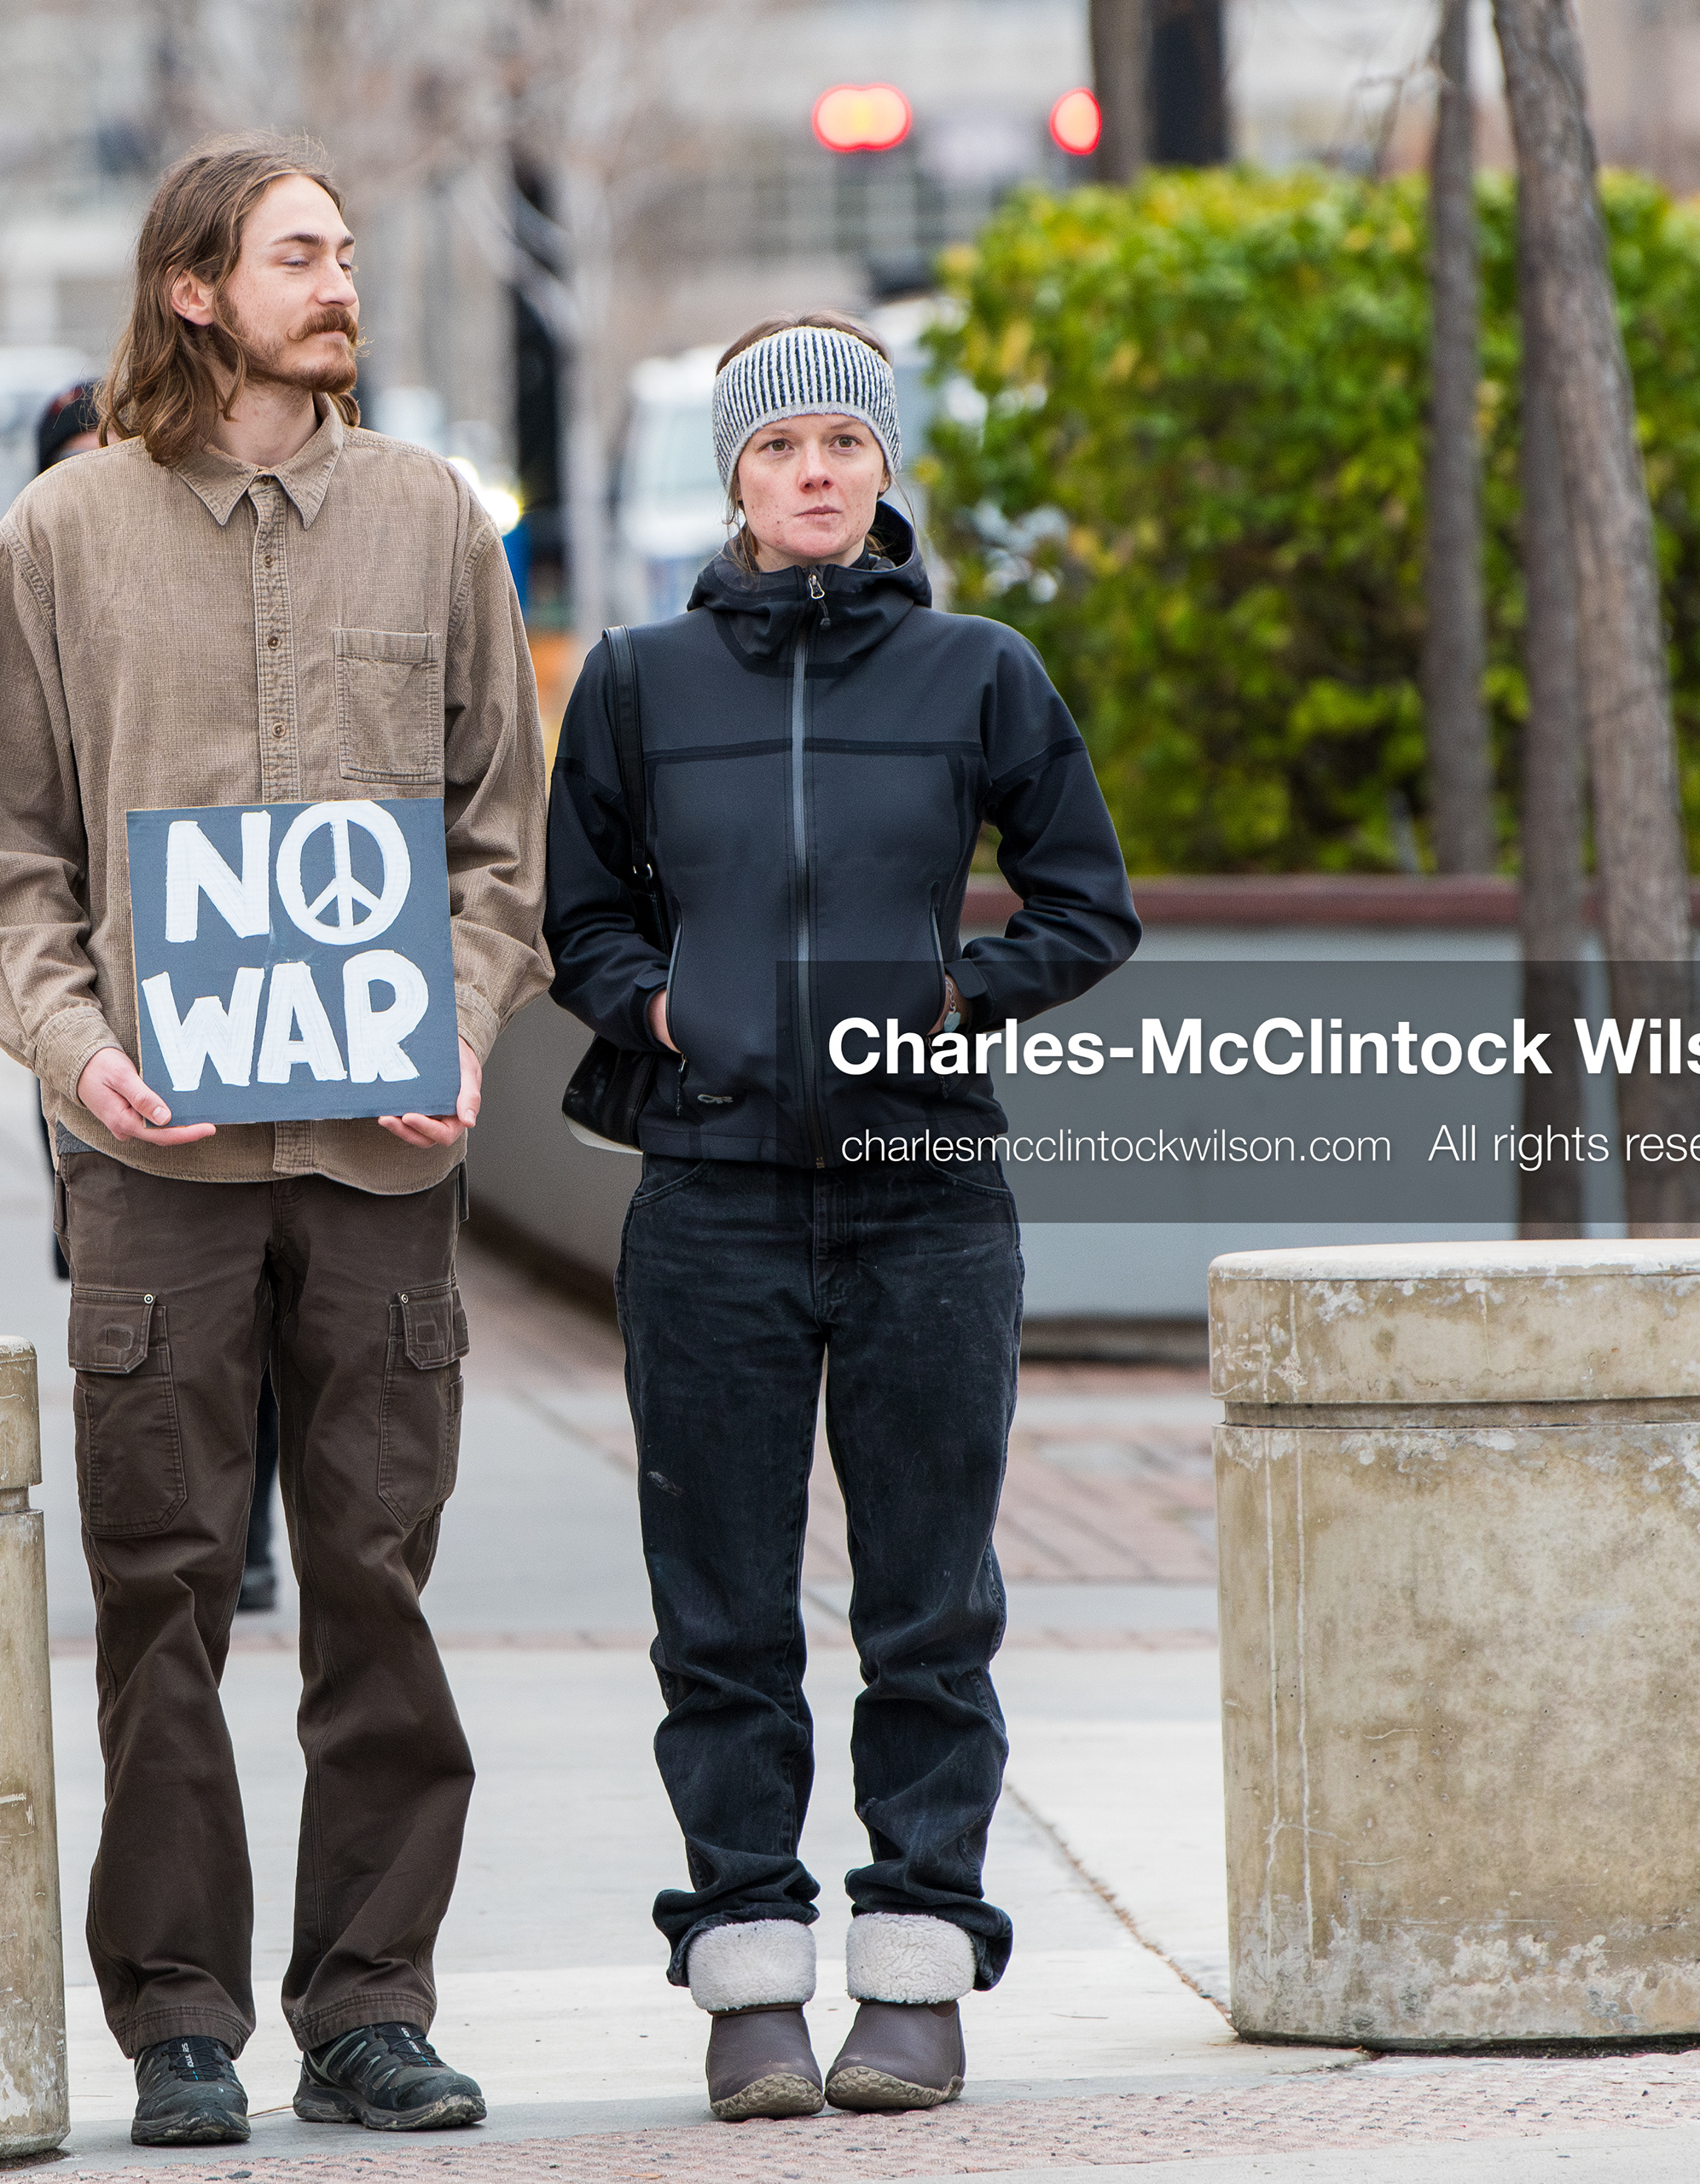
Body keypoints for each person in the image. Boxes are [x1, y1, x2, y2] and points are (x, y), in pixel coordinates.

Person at [0, 134, 548, 2149]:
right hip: (157, 1169)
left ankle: (371, 2002)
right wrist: (72, 1051)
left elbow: (496, 852)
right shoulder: (58, 540)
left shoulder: (437, 524)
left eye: (350, 252)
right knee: (165, 1591)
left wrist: (456, 1030)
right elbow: (2, 882)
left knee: (372, 1578)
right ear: (193, 286)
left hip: (384, 1162)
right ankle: (180, 2017)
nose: (341, 279)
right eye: (303, 253)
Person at [542, 312, 1137, 2123]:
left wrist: (957, 994)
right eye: (782, 445)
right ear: (735, 472)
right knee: (719, 1612)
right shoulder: (641, 679)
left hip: (924, 1196)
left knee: (925, 1602)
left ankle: (917, 1964)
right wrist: (658, 1006)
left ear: (886, 471)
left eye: (846, 444)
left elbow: (1086, 904)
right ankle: (747, 1973)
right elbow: (582, 921)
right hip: (712, 1200)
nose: (816, 470)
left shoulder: (979, 671)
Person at [21, 379, 289, 1617]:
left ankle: (249, 1529)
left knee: (284, 1283)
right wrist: (70, 1028)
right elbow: (14, 844)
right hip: (107, 1010)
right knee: (128, 1278)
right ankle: (193, 1511)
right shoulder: (39, 581)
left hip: (283, 997)